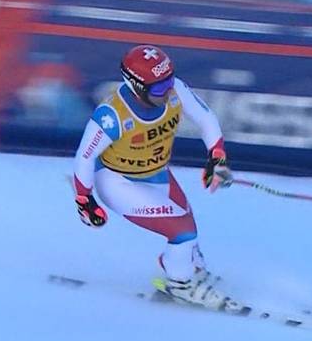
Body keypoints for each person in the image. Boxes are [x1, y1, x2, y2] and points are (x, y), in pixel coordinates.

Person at [72, 44, 239, 311]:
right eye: (159, 88)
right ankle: (180, 285)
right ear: (137, 86)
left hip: (157, 173)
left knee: (187, 225)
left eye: (169, 81)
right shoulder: (112, 115)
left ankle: (186, 268)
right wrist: (85, 200)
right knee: (182, 231)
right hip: (118, 182)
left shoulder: (175, 90)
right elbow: (84, 156)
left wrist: (216, 156)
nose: (167, 91)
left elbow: (206, 119)